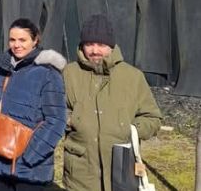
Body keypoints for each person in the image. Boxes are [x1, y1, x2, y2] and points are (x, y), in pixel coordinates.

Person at [63, 14, 162, 191]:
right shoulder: (69, 74)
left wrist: (130, 130)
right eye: (89, 44)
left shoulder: (133, 77)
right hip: (80, 170)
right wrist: (72, 120)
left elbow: (152, 117)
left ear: (111, 45)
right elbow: (55, 109)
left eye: (101, 45)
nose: (94, 50)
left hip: (121, 168)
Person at [0, 18, 66, 191]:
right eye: (12, 40)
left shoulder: (47, 74)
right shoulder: (3, 70)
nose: (16, 45)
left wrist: (30, 156)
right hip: (0, 158)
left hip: (30, 170)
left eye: (22, 40)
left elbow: (56, 120)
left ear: (35, 41)